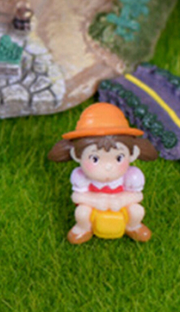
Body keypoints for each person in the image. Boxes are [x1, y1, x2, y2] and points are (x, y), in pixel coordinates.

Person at [47, 103, 158, 244]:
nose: (108, 167)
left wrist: (121, 201)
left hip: (121, 205)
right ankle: (83, 228)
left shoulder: (132, 175)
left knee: (137, 210)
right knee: (82, 212)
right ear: (76, 155)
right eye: (95, 159)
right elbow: (77, 196)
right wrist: (96, 201)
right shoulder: (80, 176)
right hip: (94, 206)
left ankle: (133, 226)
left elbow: (137, 196)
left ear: (133, 154)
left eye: (119, 158)